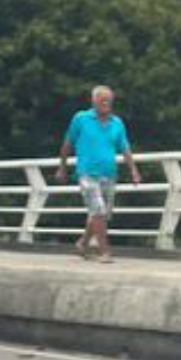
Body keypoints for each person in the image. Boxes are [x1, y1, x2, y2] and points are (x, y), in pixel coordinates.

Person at [55, 85, 141, 263]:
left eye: (108, 100)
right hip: (87, 173)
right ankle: (105, 251)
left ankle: (83, 243)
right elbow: (67, 143)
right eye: (102, 99)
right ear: (93, 101)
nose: (105, 103)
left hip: (109, 173)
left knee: (100, 214)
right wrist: (62, 167)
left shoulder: (117, 123)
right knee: (99, 210)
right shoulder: (81, 118)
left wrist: (133, 169)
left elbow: (125, 147)